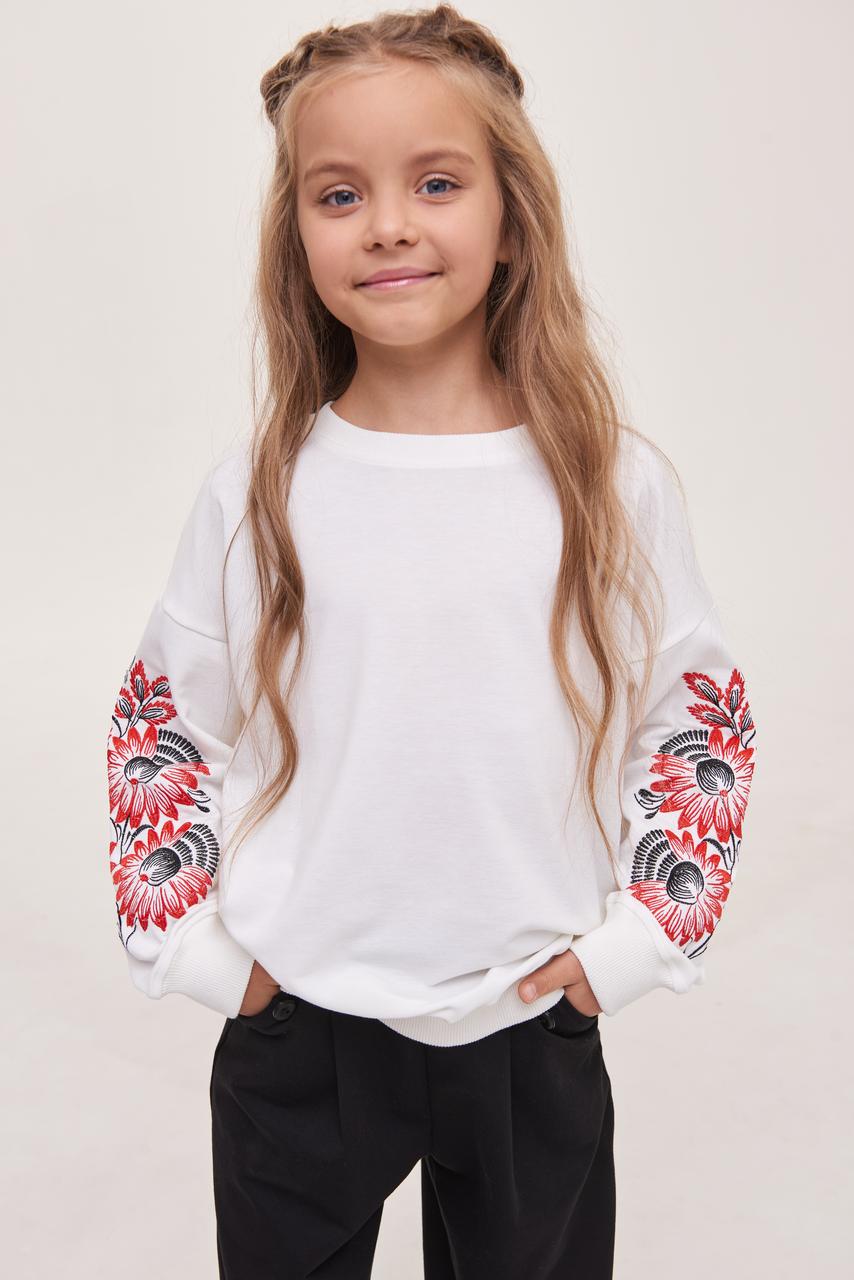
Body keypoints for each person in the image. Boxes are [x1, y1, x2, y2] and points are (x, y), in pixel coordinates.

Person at [104, 5, 759, 1277]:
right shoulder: (259, 490)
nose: (388, 224)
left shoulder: (606, 483)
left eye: (437, 183)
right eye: (338, 193)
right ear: (296, 236)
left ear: (510, 219)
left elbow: (695, 717)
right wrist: (200, 955)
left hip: (527, 1017)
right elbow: (163, 725)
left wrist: (633, 945)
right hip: (300, 1021)